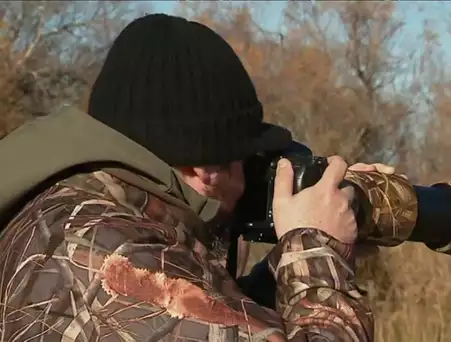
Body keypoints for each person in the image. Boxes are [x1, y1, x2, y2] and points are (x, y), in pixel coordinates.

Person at [0, 13, 394, 341]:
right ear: (205, 169)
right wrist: (315, 249)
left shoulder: (82, 219)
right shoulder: (111, 263)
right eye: (246, 160)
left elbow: (212, 315)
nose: (249, 181)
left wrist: (298, 262)